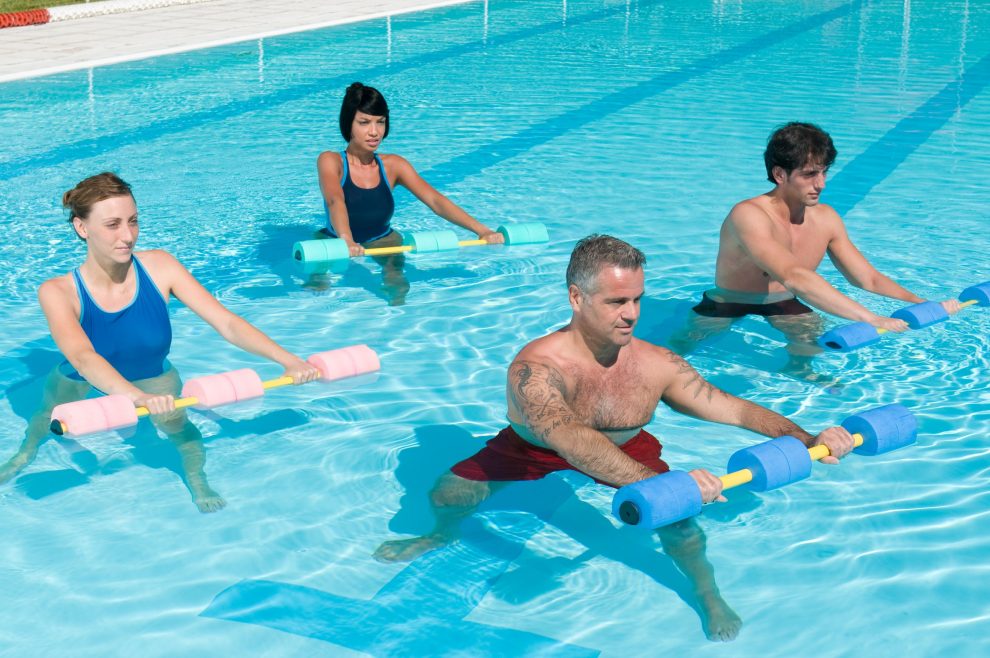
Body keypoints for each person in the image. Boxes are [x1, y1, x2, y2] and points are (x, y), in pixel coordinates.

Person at [374, 234, 855, 642]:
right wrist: (661, 485)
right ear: (576, 298)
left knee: (681, 524)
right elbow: (568, 438)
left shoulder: (655, 364)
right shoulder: (537, 367)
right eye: (615, 302)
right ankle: (441, 533)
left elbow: (730, 406)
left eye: (637, 299)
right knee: (449, 493)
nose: (630, 314)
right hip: (534, 447)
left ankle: (706, 592)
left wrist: (803, 435)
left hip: (625, 446)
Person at [0, 172, 320, 512]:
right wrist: (136, 397)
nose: (128, 236)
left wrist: (289, 360)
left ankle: (198, 481)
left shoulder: (160, 267)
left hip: (153, 376)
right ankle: (24, 456)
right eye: (112, 225)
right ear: (82, 228)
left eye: (133, 221)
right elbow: (82, 357)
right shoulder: (57, 291)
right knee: (42, 423)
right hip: (80, 379)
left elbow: (225, 322)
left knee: (180, 430)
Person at [670, 122, 962, 378]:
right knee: (682, 351)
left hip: (783, 301)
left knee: (812, 340)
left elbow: (866, 278)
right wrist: (870, 319)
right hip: (729, 301)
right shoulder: (749, 215)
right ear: (780, 174)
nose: (821, 184)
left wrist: (921, 302)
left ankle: (798, 371)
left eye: (823, 172)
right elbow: (794, 275)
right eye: (809, 174)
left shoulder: (826, 219)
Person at [315, 82, 504, 304]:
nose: (374, 131)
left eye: (381, 122)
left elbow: (435, 201)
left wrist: (482, 230)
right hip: (334, 240)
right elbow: (334, 199)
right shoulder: (331, 160)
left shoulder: (394, 165)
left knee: (398, 290)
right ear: (349, 124)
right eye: (364, 122)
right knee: (317, 288)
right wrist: (346, 239)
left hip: (382, 239)